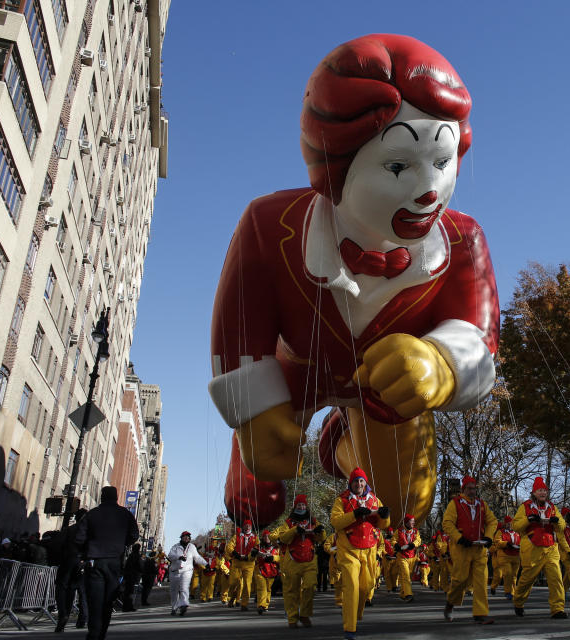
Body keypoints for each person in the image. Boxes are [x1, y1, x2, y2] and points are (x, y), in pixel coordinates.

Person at [209, 34, 500, 530]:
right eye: (397, 165)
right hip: (297, 368)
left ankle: (343, 443)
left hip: (387, 386)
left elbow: (479, 336)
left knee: (406, 505)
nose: (429, 189)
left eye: (442, 161)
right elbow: (238, 328)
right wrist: (252, 410)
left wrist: (440, 366)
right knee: (257, 492)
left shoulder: (463, 238)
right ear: (336, 163)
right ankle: (266, 454)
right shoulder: (269, 225)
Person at [330, 467, 390, 640]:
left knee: (366, 586)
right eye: (356, 481)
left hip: (369, 549)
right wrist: (354, 514)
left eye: (361, 480)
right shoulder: (340, 501)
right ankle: (350, 628)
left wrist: (385, 517)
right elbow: (335, 522)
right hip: (348, 550)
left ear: (366, 482)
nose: (359, 484)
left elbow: (383, 525)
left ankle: (355, 615)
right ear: (351, 483)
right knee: (352, 587)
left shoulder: (375, 500)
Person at [75, 486, 140, 640]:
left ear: (102, 497)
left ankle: (94, 632)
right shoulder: (125, 514)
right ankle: (101, 633)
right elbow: (134, 535)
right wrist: (121, 543)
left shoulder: (92, 514)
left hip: (95, 561)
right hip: (114, 561)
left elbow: (79, 538)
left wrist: (86, 551)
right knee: (108, 600)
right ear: (116, 497)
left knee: (95, 600)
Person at [442, 475, 498, 624]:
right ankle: (450, 603)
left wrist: (488, 537)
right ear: (463, 489)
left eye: (474, 488)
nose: (472, 491)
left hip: (479, 548)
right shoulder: (455, 504)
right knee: (459, 580)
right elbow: (447, 523)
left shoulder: (482, 504)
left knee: (481, 580)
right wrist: (459, 538)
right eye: (469, 488)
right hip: (461, 548)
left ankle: (480, 613)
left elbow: (492, 521)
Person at [512, 477, 567, 619]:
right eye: (539, 490)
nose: (542, 492)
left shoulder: (553, 507)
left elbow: (562, 526)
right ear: (534, 492)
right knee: (527, 579)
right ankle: (518, 602)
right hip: (532, 547)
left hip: (551, 548)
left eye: (544, 490)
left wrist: (557, 521)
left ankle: (558, 609)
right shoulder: (525, 506)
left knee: (556, 579)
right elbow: (515, 526)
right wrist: (528, 519)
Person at [273, 494, 326, 629]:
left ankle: (305, 614)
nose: (302, 507)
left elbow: (321, 538)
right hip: (292, 560)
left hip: (310, 559)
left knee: (310, 586)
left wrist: (320, 532)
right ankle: (292, 618)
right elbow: (283, 538)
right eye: (299, 505)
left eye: (303, 505)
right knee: (292, 591)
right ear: (295, 507)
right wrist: (295, 530)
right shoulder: (289, 522)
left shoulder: (313, 521)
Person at [53, 507, 88, 631]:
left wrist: (59, 560)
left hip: (68, 561)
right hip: (82, 563)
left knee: (63, 588)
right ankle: (82, 617)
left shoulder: (69, 530)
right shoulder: (89, 532)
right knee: (79, 590)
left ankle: (63, 613)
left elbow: (58, 546)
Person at [167, 532, 206, 615]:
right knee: (174, 591)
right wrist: (178, 557)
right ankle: (174, 607)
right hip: (175, 571)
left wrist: (206, 564)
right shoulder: (175, 547)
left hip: (187, 571)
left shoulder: (192, 547)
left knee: (184, 588)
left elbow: (197, 557)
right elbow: (170, 555)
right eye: (184, 537)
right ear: (181, 538)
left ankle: (183, 605)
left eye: (188, 537)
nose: (186, 538)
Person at [225, 519, 259, 610]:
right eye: (246, 525)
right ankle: (232, 597)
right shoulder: (237, 536)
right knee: (233, 583)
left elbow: (257, 548)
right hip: (237, 563)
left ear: (251, 527)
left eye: (249, 526)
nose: (247, 527)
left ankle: (244, 604)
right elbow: (229, 547)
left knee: (247, 585)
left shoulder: (255, 538)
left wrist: (250, 556)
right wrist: (235, 553)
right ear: (243, 526)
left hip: (249, 563)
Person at [491, 516, 521, 600]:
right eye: (508, 523)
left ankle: (513, 592)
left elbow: (523, 541)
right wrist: (507, 544)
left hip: (516, 556)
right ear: (505, 524)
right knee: (507, 573)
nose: (510, 525)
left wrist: (520, 546)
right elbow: (497, 542)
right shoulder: (500, 532)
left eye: (511, 523)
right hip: (504, 556)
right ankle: (507, 591)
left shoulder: (518, 532)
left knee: (514, 575)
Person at [395, 514, 421, 602]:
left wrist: (414, 544)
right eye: (411, 521)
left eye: (413, 521)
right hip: (402, 556)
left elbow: (418, 540)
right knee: (405, 575)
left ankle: (403, 593)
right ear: (406, 522)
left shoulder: (416, 531)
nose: (413, 522)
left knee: (407, 576)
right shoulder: (399, 531)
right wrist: (395, 545)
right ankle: (408, 594)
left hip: (412, 557)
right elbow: (393, 540)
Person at [254, 530, 279, 614]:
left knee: (268, 589)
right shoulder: (259, 547)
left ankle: (265, 605)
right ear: (263, 538)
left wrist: (273, 558)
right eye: (265, 536)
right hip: (260, 570)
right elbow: (251, 557)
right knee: (262, 588)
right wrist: (253, 553)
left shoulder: (276, 548)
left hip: (271, 571)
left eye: (268, 536)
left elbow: (280, 559)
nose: (267, 538)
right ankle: (260, 605)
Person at [121, 544, 142, 612]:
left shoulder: (130, 555)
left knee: (127, 591)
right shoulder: (136, 556)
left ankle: (126, 606)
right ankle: (128, 607)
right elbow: (139, 566)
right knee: (130, 592)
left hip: (128, 575)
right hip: (132, 576)